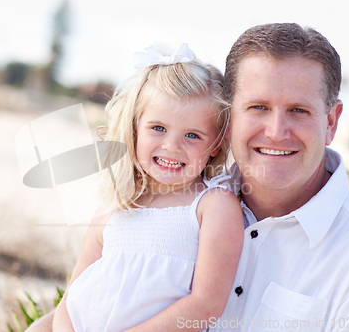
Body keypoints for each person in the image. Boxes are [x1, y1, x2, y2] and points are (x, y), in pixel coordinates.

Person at [49, 44, 244, 331]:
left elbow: (205, 305)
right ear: (134, 129)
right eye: (158, 128)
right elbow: (70, 300)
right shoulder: (112, 210)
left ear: (215, 146)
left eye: (192, 135)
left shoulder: (212, 206)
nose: (171, 146)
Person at [208, 23, 349, 331]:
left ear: (331, 122)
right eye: (258, 107)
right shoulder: (181, 212)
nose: (276, 132)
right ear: (228, 116)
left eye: (299, 111)